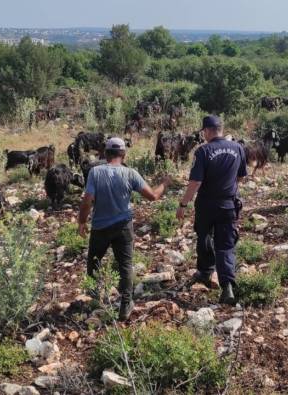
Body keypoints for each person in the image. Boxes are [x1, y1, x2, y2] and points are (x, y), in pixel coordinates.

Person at [78, 137, 170, 321]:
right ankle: (125, 304)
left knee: (94, 263)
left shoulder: (95, 172)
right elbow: (152, 196)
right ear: (123, 154)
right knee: (125, 266)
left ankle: (97, 300)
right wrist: (165, 183)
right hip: (123, 227)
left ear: (105, 153)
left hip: (100, 228)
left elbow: (87, 201)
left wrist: (82, 222)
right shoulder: (130, 173)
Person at [177, 115, 247, 305]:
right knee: (225, 244)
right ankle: (227, 287)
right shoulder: (238, 148)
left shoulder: (203, 151)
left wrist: (183, 204)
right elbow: (240, 177)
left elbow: (195, 182)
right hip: (228, 204)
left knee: (204, 236)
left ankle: (206, 272)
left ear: (207, 131)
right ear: (221, 129)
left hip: (207, 204)